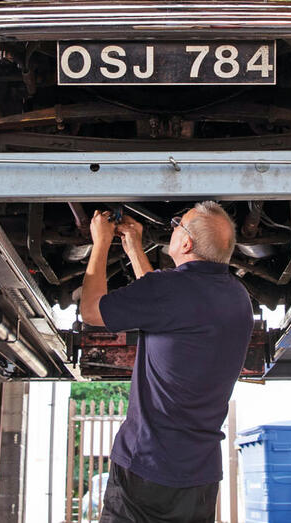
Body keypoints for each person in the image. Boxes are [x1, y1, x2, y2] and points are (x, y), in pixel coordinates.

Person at [81, 201, 253, 523]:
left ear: (186, 243)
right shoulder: (238, 297)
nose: (172, 227)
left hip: (146, 468)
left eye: (177, 224)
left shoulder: (168, 290)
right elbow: (166, 309)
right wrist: (133, 249)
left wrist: (101, 242)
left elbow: (91, 310)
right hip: (200, 478)